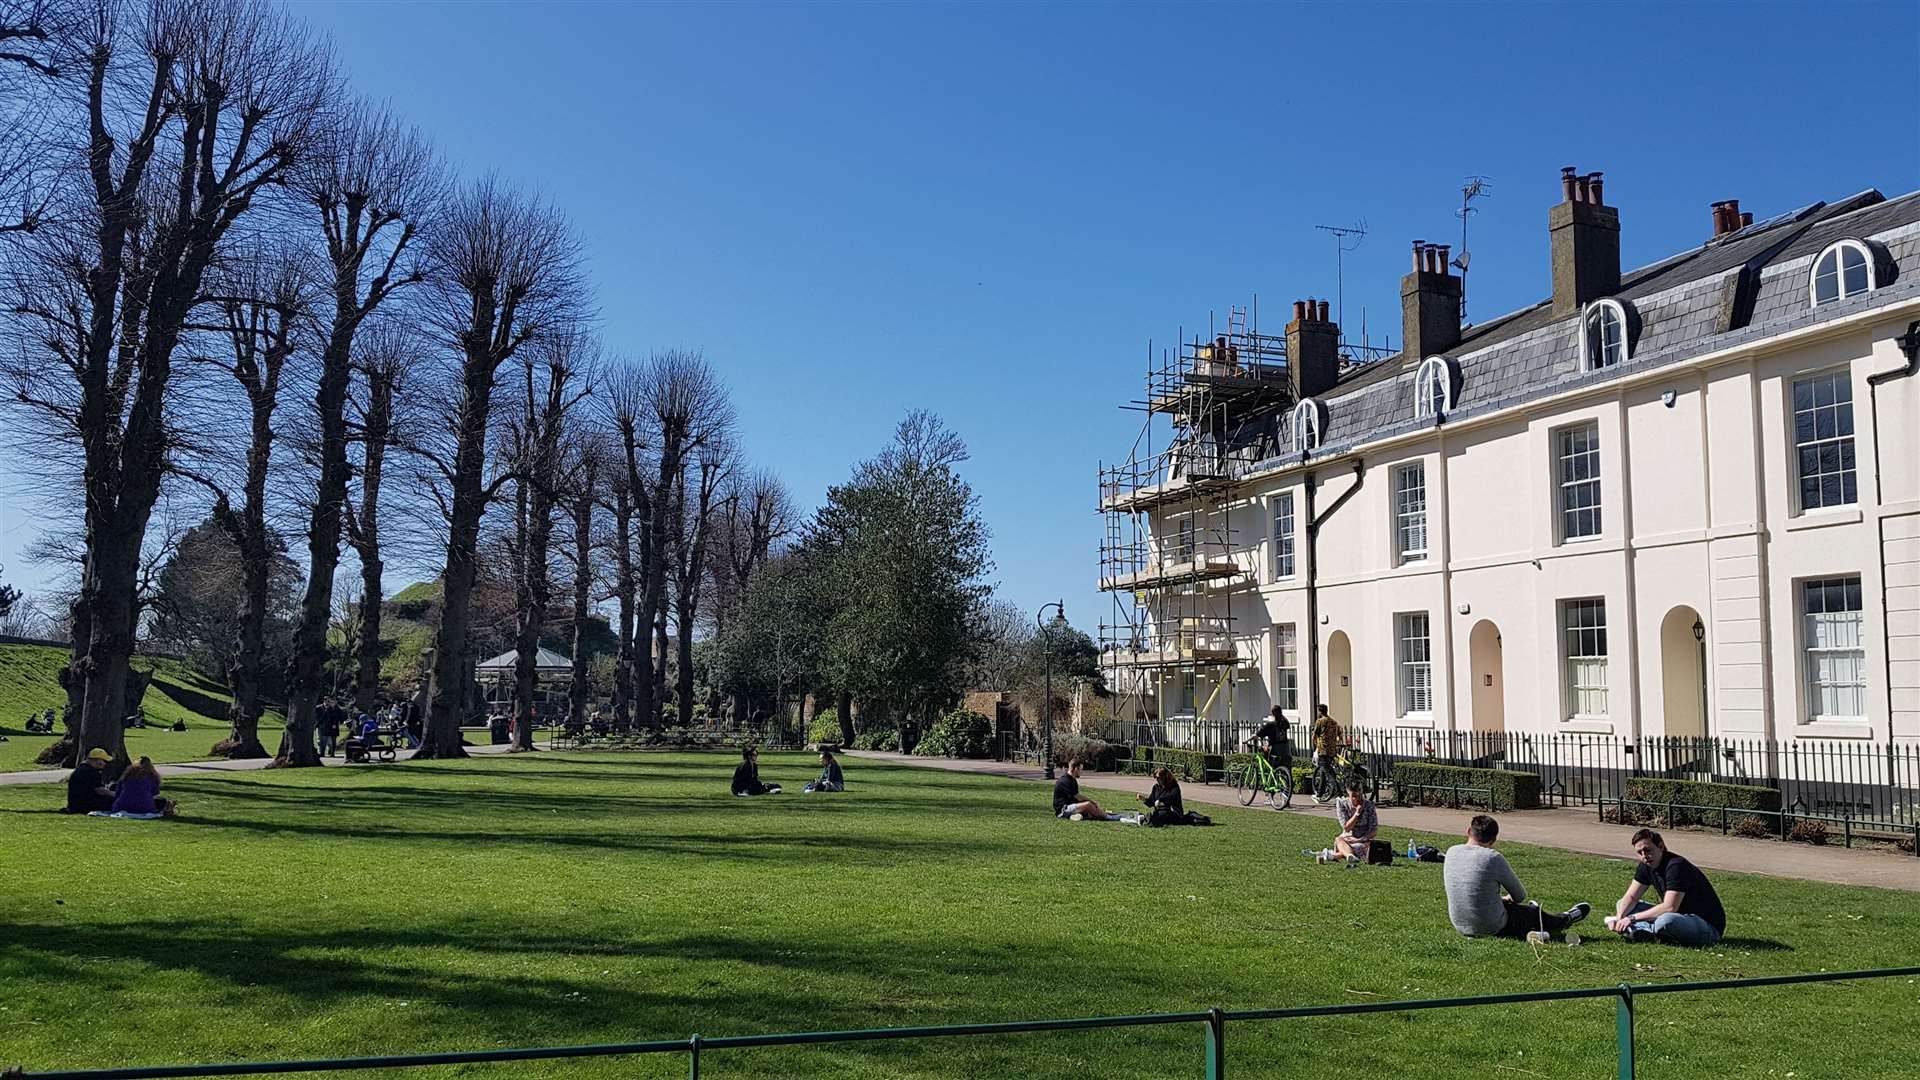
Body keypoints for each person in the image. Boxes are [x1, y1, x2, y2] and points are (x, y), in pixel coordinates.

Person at [1443, 814, 1591, 940]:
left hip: (1460, 924)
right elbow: (1519, 895)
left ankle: (1534, 915)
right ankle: (1565, 918)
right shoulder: (1492, 858)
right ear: (1493, 840)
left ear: (1469, 831)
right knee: (1534, 914)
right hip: (1492, 926)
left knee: (1517, 910)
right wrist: (1507, 899)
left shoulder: (1451, 852)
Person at [1603, 829, 1726, 947]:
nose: (1644, 856)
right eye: (1639, 853)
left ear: (1660, 847)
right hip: (1679, 916)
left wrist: (1631, 918)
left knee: (1665, 921)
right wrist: (1620, 918)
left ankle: (1644, 930)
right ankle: (1644, 930)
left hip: (1706, 927)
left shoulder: (1676, 866)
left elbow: (1669, 907)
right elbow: (1631, 897)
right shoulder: (1646, 865)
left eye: (1647, 850)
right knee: (1622, 905)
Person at [1052, 758, 1125, 821]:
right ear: (1075, 769)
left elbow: (1076, 799)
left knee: (1091, 810)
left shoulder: (1072, 780)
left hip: (1070, 806)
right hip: (1063, 810)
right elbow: (1078, 797)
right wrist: (1092, 801)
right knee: (1088, 805)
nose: (1081, 772)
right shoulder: (1065, 781)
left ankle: (1077, 816)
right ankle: (1108, 817)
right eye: (1081, 769)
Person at [110, 756, 176, 816]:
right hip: (145, 808)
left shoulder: (127, 776)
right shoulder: (152, 777)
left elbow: (118, 793)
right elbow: (155, 794)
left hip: (121, 806)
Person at [63, 748, 116, 814]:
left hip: (75, 805)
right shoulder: (91, 772)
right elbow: (100, 791)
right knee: (114, 801)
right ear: (98, 760)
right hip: (86, 805)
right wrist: (114, 794)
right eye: (104, 761)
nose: (105, 764)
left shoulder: (80, 768)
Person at [1310, 704, 1343, 802]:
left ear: (1320, 712)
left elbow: (1314, 736)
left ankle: (1339, 794)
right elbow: (1340, 736)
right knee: (1323, 772)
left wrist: (1315, 746)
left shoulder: (1320, 721)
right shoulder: (1334, 722)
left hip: (1323, 750)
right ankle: (1319, 794)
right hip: (1332, 751)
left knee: (1329, 773)